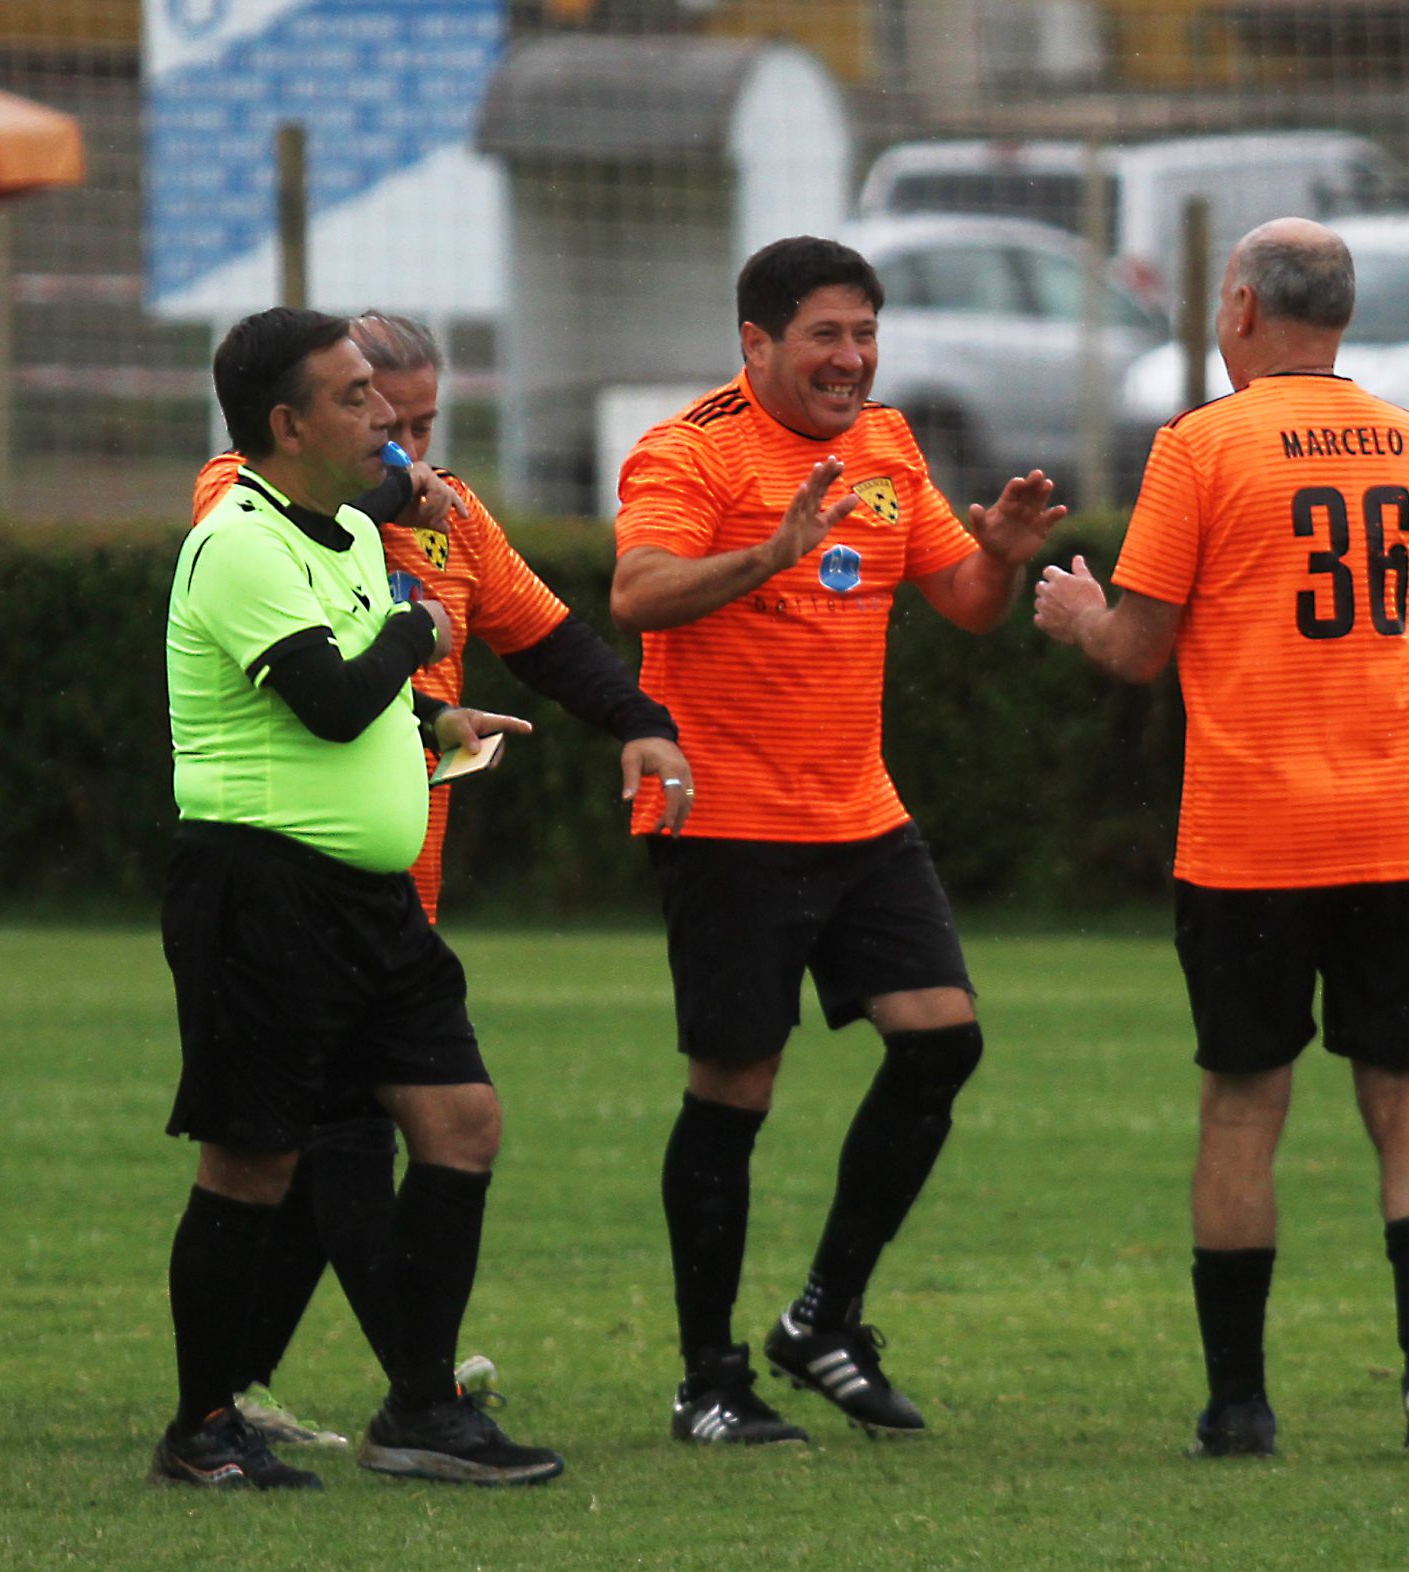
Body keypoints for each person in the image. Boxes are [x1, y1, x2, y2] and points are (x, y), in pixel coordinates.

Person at [188, 313, 689, 1449]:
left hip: (396, 892)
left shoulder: (442, 513)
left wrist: (641, 721)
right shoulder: (249, 498)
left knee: (348, 1144)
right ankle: (411, 1389)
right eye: (382, 417)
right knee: (323, 1146)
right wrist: (395, 537)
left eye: (421, 424)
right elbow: (323, 679)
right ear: (313, 413)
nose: (405, 446)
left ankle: (258, 1387)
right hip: (290, 884)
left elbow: (549, 638)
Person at [1032, 219, 1409, 1460]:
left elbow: (1138, 649)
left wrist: (1075, 613)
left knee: (1243, 1103)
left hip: (1255, 826)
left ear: (1237, 308)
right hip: (1401, 812)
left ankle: (1238, 1407)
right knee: (1408, 1095)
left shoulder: (1202, 445)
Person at [610, 235, 1065, 1445]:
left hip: (858, 814)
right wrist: (770, 555)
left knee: (942, 1041)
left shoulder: (888, 444)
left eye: (865, 334)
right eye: (826, 335)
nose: (851, 359)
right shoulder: (689, 448)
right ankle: (707, 1379)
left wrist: (1001, 558)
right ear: (756, 342)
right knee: (736, 1085)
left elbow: (965, 603)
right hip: (726, 818)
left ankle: (820, 1320)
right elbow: (636, 592)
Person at [154, 306, 561, 1489]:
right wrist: (417, 628)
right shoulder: (238, 541)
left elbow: (357, 689)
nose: (383, 414)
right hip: (261, 895)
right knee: (252, 1164)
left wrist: (434, 717)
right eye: (353, 396)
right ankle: (201, 1430)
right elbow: (328, 701)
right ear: (287, 426)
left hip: (369, 904)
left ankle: (422, 1410)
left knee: (461, 1121)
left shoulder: (336, 535)